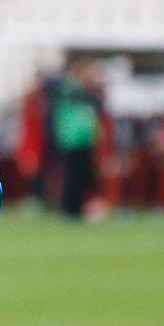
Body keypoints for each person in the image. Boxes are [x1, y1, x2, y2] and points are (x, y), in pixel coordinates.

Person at [44, 56, 104, 219]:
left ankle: (77, 208)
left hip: (82, 138)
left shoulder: (77, 88)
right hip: (73, 138)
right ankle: (71, 208)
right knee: (73, 175)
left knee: (81, 175)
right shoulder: (70, 87)